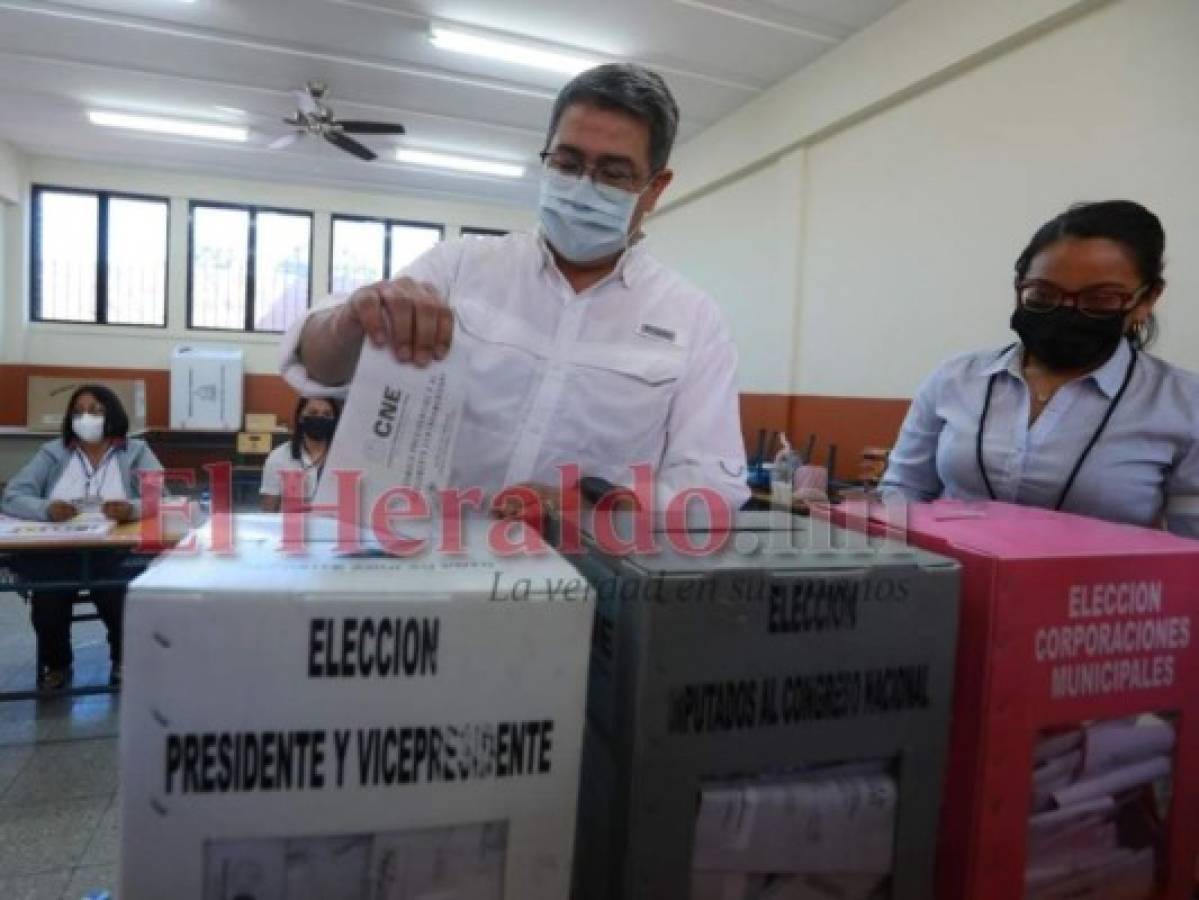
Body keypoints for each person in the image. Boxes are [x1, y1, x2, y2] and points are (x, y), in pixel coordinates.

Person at [281, 63, 749, 515]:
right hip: (426, 553)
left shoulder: (693, 320)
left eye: (613, 173)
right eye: (567, 163)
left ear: (654, 188)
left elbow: (713, 486)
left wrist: (587, 503)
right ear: (546, 157)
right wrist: (350, 318)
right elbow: (319, 364)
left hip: (585, 574)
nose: (583, 186)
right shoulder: (459, 265)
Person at [882, 200, 1199, 537]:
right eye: (1043, 294)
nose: (1066, 311)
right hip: (946, 581)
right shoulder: (956, 378)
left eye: (1101, 299)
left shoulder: (1183, 403)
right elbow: (903, 489)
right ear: (1019, 285)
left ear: (1146, 300)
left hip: (1092, 588)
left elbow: (1191, 544)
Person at [1, 384, 162, 689]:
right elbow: (14, 495)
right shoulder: (54, 451)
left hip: (115, 550)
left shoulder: (137, 452)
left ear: (113, 415)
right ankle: (58, 664)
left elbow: (159, 497)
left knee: (120, 594)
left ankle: (123, 658)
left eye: (96, 411)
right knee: (48, 601)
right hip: (58, 550)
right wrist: (46, 509)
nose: (86, 417)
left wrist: (131, 509)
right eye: (79, 412)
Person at [260, 396, 341, 512]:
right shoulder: (279, 457)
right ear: (300, 417)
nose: (320, 418)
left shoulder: (345, 457)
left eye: (327, 415)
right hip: (293, 528)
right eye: (313, 413)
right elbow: (269, 510)